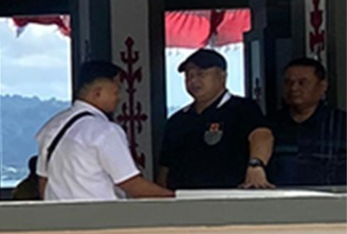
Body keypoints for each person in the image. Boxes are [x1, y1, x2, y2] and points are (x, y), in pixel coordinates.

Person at [30, 61, 172, 203]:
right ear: (98, 93)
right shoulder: (105, 131)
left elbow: (43, 180)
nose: (119, 97)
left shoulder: (51, 128)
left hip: (59, 219)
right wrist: (179, 199)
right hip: (100, 219)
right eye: (115, 91)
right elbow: (132, 184)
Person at [155, 46, 272, 190]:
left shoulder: (242, 108)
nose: (193, 80)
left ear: (222, 76)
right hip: (184, 201)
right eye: (189, 75)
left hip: (229, 198)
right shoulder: (177, 120)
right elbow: (165, 169)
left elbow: (262, 135)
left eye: (201, 74)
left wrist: (256, 164)